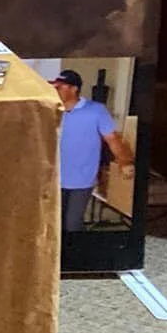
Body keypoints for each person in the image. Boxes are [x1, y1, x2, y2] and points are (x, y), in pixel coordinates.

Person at [54, 70, 133, 232]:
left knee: (72, 224)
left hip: (82, 179)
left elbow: (112, 139)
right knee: (56, 224)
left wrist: (124, 162)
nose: (55, 91)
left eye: (60, 87)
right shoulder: (54, 111)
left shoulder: (96, 111)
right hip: (55, 178)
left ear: (73, 89)